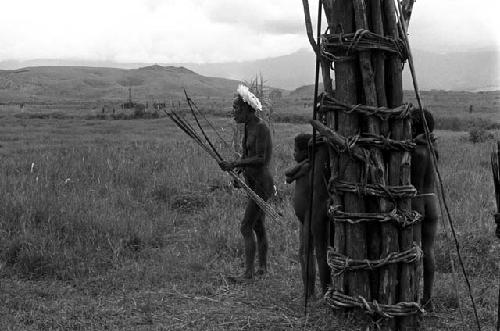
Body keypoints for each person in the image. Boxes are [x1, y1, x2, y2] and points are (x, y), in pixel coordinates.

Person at [219, 85, 274, 279]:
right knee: (258, 226)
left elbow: (260, 158)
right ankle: (263, 268)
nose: (234, 112)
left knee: (246, 226)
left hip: (262, 185)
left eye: (237, 109)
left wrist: (234, 163)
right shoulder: (247, 127)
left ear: (248, 110)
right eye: (234, 108)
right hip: (252, 183)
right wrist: (239, 171)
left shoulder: (261, 128)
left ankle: (249, 273)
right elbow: (246, 155)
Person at [410, 107, 440, 311]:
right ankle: (428, 299)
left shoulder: (413, 150)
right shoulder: (432, 149)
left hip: (416, 201)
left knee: (412, 251)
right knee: (428, 251)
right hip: (432, 201)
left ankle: (410, 295)